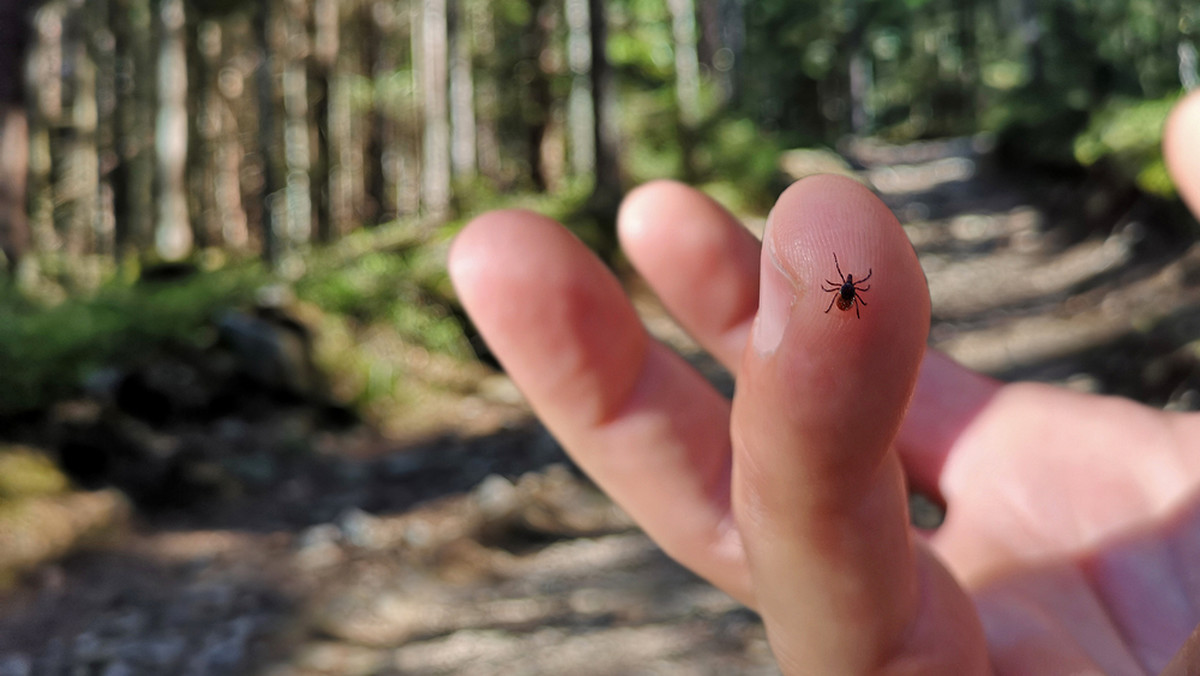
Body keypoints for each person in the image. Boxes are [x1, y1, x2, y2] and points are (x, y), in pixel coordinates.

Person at [448, 89, 1200, 675]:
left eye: (847, 290)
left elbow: (853, 286)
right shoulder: (848, 289)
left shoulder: (849, 289)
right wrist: (852, 292)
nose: (846, 290)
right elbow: (852, 286)